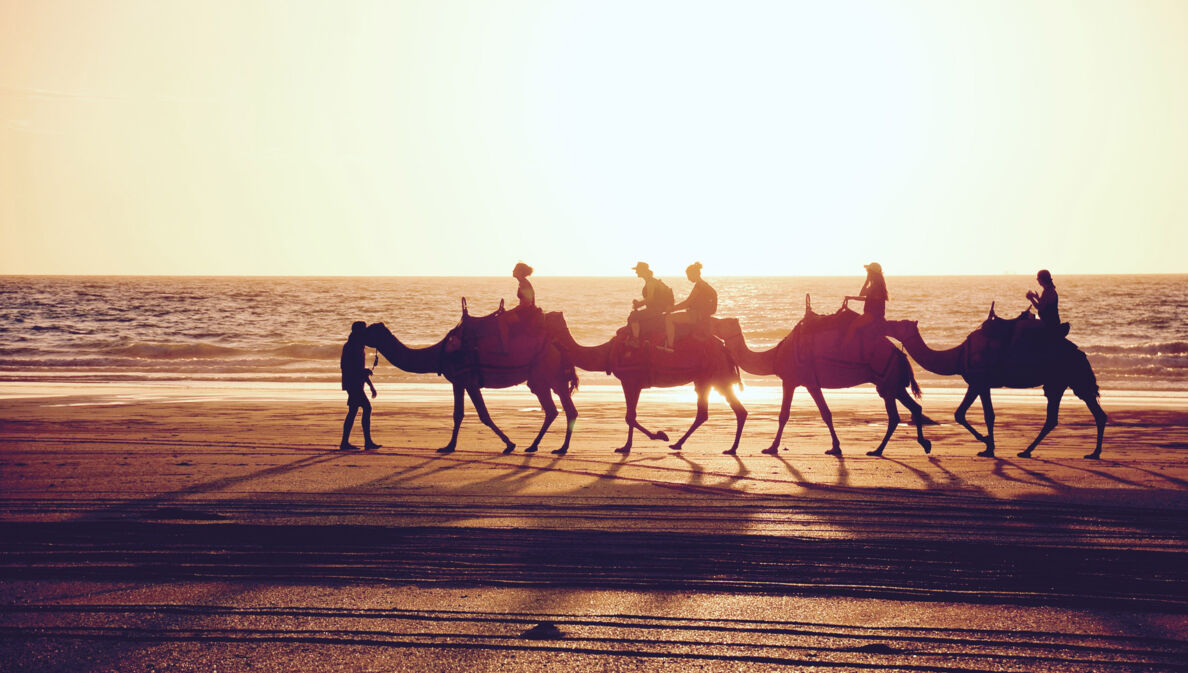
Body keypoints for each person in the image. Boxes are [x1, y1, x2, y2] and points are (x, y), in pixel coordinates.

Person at [340, 321, 380, 451]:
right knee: (366, 408)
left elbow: (359, 369)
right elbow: (349, 368)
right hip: (353, 383)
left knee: (353, 411)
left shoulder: (356, 346)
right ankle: (367, 442)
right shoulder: (352, 347)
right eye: (364, 329)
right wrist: (364, 373)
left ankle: (345, 442)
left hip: (354, 383)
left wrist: (370, 386)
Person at [665, 262, 717, 349]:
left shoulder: (699, 285)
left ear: (694, 274)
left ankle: (670, 346)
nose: (688, 278)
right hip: (702, 316)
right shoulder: (705, 284)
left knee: (668, 318)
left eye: (689, 275)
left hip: (695, 316)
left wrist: (672, 309)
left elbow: (687, 303)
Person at [842, 262, 889, 348]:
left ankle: (843, 348)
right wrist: (851, 297)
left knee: (853, 326)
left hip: (872, 315)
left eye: (868, 272)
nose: (867, 274)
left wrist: (867, 281)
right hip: (871, 314)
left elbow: (865, 296)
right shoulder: (875, 285)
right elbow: (863, 295)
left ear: (872, 273)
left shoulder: (876, 286)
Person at [627, 262, 674, 345]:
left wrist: (638, 304)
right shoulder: (653, 281)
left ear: (642, 271)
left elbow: (650, 299)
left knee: (633, 316)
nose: (636, 272)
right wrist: (640, 303)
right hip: (659, 308)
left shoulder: (650, 283)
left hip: (656, 310)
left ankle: (635, 340)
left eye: (637, 270)